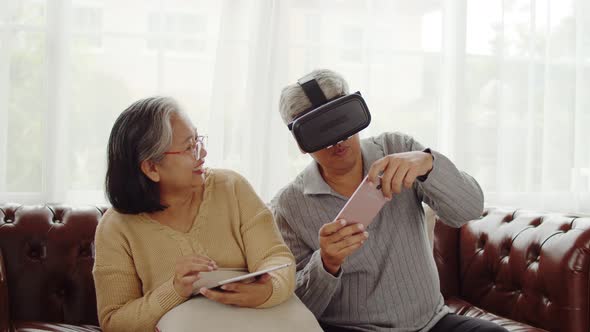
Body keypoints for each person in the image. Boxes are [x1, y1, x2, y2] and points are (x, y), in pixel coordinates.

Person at [271, 69, 508, 332]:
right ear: (301, 142)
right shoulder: (288, 206)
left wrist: (429, 163)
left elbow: (470, 209)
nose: (337, 139)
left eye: (340, 120)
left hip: (432, 323)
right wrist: (326, 263)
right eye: (320, 131)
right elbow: (300, 309)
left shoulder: (398, 148)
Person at [93, 96, 295, 332]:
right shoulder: (115, 227)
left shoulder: (232, 187)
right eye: (189, 147)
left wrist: (268, 290)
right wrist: (175, 290)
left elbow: (278, 258)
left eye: (198, 139)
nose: (203, 152)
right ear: (151, 168)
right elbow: (113, 322)